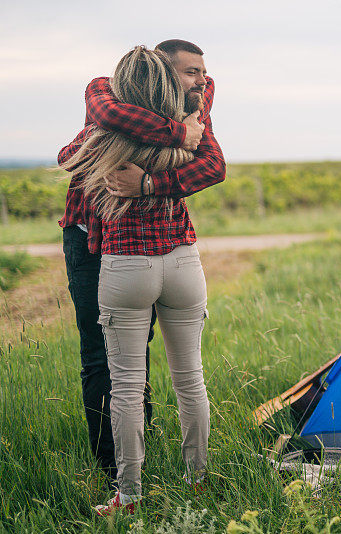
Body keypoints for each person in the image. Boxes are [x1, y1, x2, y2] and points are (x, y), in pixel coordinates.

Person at [58, 42, 224, 514]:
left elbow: (67, 156)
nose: (202, 83)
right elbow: (213, 165)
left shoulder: (107, 132)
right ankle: (198, 482)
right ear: (168, 77)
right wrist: (179, 138)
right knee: (190, 377)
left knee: (125, 384)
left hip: (126, 263)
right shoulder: (188, 132)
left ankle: (128, 494)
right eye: (191, 74)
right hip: (182, 260)